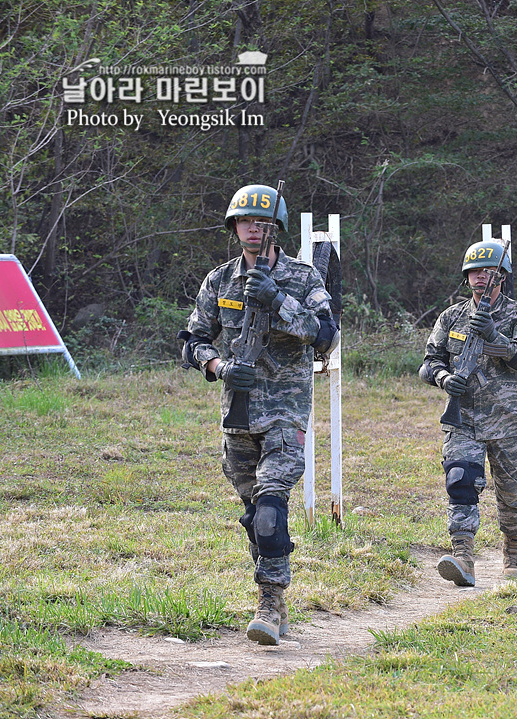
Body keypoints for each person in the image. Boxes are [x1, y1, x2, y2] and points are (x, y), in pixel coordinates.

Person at [179, 184, 339, 645]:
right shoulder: (219, 280)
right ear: (234, 228)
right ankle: (272, 591)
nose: (251, 228)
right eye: (243, 221)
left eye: (260, 221)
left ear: (276, 227)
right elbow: (192, 340)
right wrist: (218, 365)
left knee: (271, 507)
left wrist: (277, 301)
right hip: (238, 413)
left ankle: (270, 602)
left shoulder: (304, 278)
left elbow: (325, 336)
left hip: (286, 412)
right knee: (255, 517)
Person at [419, 240, 517, 587]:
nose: (480, 278)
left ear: (502, 276)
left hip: (508, 420)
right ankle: (463, 557)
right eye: (474, 271)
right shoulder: (452, 317)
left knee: (512, 492)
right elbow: (429, 363)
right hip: (463, 420)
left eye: (488, 272)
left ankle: (514, 553)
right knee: (459, 481)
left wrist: (495, 336)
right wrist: (444, 379)